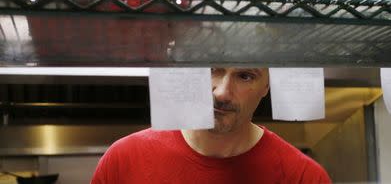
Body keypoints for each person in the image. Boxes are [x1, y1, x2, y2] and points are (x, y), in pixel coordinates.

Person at [91, 67, 331, 183]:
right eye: (213, 70)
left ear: (267, 86)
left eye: (245, 76)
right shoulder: (124, 160)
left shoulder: (304, 178)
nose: (223, 93)